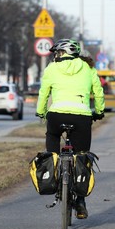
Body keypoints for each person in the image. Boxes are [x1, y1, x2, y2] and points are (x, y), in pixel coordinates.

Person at [35, 38, 105, 219]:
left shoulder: (51, 68)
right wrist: (99, 111)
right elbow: (98, 92)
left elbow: (44, 93)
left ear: (62, 53)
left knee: (52, 140)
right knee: (82, 156)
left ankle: (54, 170)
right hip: (81, 116)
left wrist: (41, 112)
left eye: (57, 53)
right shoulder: (88, 68)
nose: (56, 56)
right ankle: (80, 201)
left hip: (56, 115)